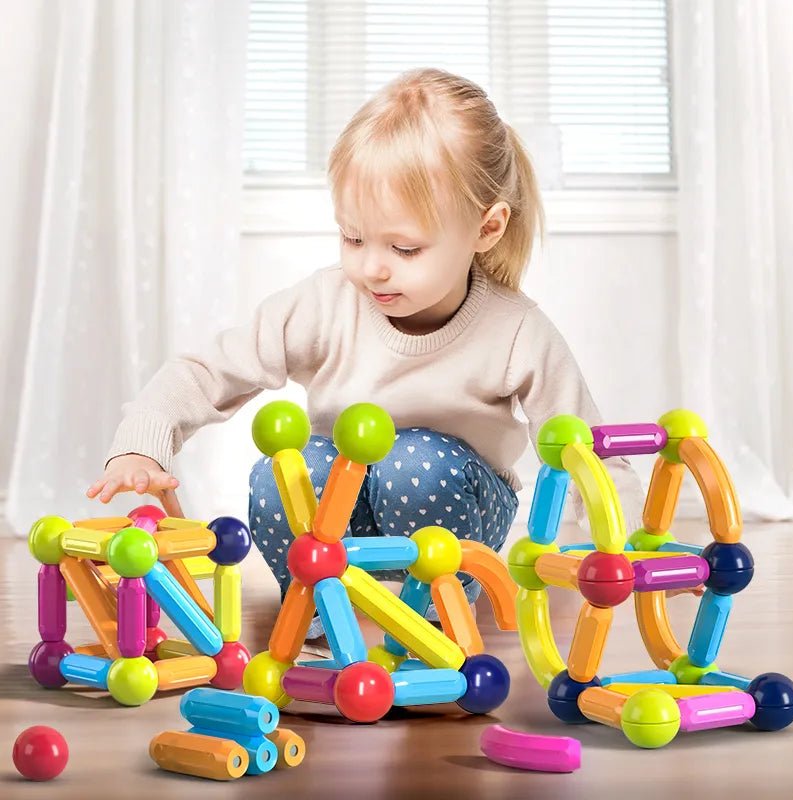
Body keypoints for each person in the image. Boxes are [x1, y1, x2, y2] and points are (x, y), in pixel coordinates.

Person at [87, 67, 645, 646]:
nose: (372, 267)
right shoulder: (326, 303)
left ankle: (433, 608)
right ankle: (313, 602)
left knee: (413, 460)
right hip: (341, 510)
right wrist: (140, 442)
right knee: (282, 473)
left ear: (487, 228)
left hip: (455, 514)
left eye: (404, 248)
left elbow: (586, 447)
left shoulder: (517, 330)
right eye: (353, 238)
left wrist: (623, 546)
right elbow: (210, 370)